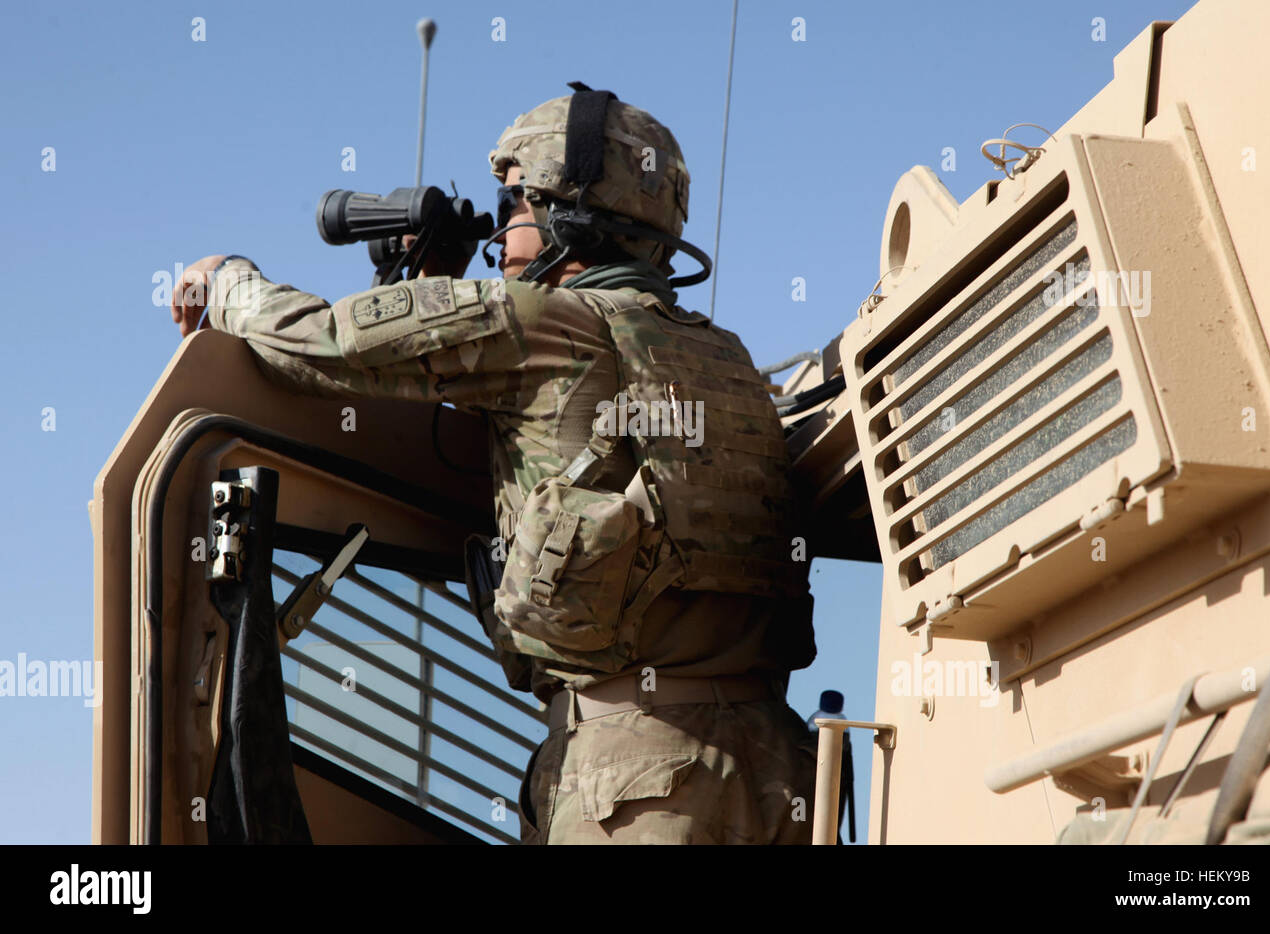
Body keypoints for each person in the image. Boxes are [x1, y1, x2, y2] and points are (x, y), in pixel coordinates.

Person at [169, 89, 818, 844]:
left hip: (639, 782)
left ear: (566, 215)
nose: (503, 235)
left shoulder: (544, 323)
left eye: (514, 206)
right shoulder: (730, 363)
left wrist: (227, 280)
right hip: (784, 772)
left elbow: (327, 342)